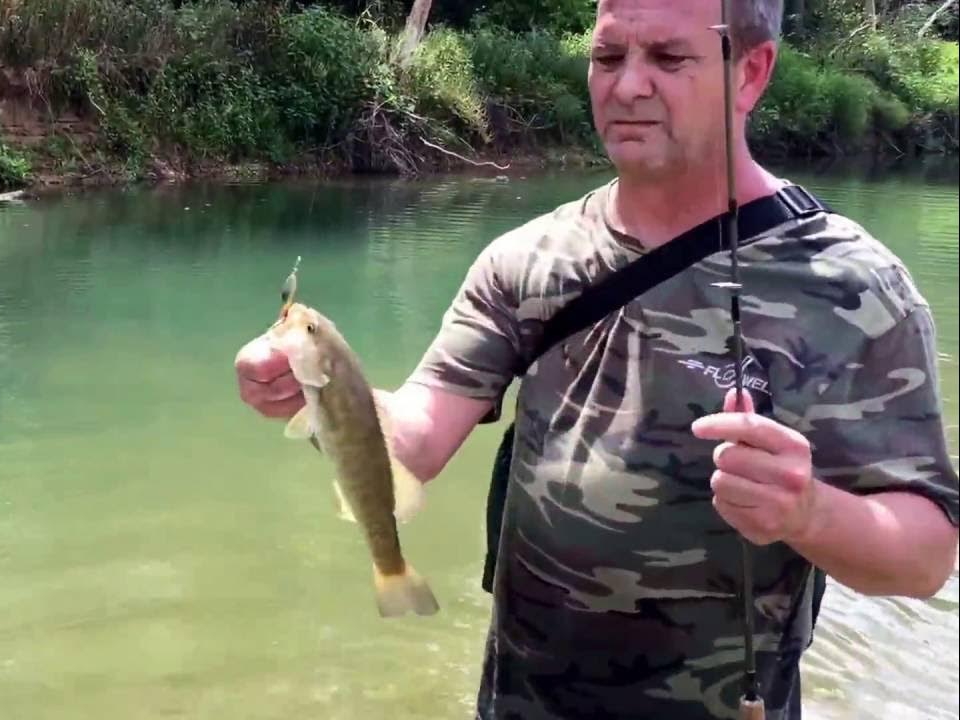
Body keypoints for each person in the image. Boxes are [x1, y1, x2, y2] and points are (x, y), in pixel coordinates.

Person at [234, 0, 960, 717]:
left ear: (752, 72)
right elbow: (416, 437)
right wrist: (326, 393)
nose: (628, 85)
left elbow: (925, 557)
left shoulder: (855, 291)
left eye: (669, 59)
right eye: (608, 56)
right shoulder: (524, 260)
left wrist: (808, 510)